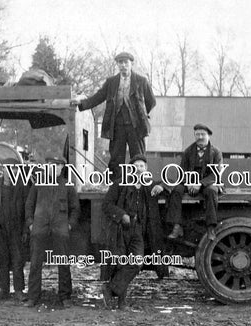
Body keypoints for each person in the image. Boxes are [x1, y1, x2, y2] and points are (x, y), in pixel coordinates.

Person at [71, 52, 156, 180]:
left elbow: (151, 101)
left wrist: (142, 116)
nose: (123, 65)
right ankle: (116, 186)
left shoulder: (141, 81)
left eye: (126, 62)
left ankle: (140, 185)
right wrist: (81, 103)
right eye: (120, 63)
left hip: (136, 127)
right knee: (116, 159)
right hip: (117, 126)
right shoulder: (111, 82)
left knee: (138, 157)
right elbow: (99, 97)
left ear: (131, 64)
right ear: (117, 65)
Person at [101, 154, 167, 310]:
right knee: (121, 264)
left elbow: (170, 185)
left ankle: (110, 289)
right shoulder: (119, 184)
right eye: (135, 166)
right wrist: (121, 215)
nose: (138, 169)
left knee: (137, 263)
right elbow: (107, 205)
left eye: (142, 166)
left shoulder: (149, 186)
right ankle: (121, 303)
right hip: (121, 229)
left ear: (146, 169)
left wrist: (162, 186)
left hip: (138, 230)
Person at [24, 156, 80, 308]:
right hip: (39, 227)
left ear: (62, 167)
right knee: (35, 263)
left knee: (63, 262)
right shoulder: (38, 184)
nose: (53, 168)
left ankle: (65, 296)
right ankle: (33, 297)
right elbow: (29, 205)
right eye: (50, 165)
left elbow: (75, 209)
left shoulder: (68, 186)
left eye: (57, 165)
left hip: (60, 228)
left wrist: (69, 225)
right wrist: (30, 223)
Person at [166, 124, 223, 241]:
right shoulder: (188, 151)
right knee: (176, 190)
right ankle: (177, 225)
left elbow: (216, 173)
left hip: (208, 183)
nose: (200, 137)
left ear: (209, 136)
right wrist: (189, 183)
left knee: (212, 191)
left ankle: (210, 227)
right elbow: (182, 172)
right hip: (190, 183)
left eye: (203, 134)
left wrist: (200, 184)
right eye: (197, 134)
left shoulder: (216, 152)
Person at [0, 158, 31, 302]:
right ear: (3, 169)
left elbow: (27, 210)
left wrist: (25, 230)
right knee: (0, 260)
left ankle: (19, 290)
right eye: (8, 168)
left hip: (16, 230)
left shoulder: (23, 187)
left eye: (15, 169)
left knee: (18, 260)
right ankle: (2, 289)